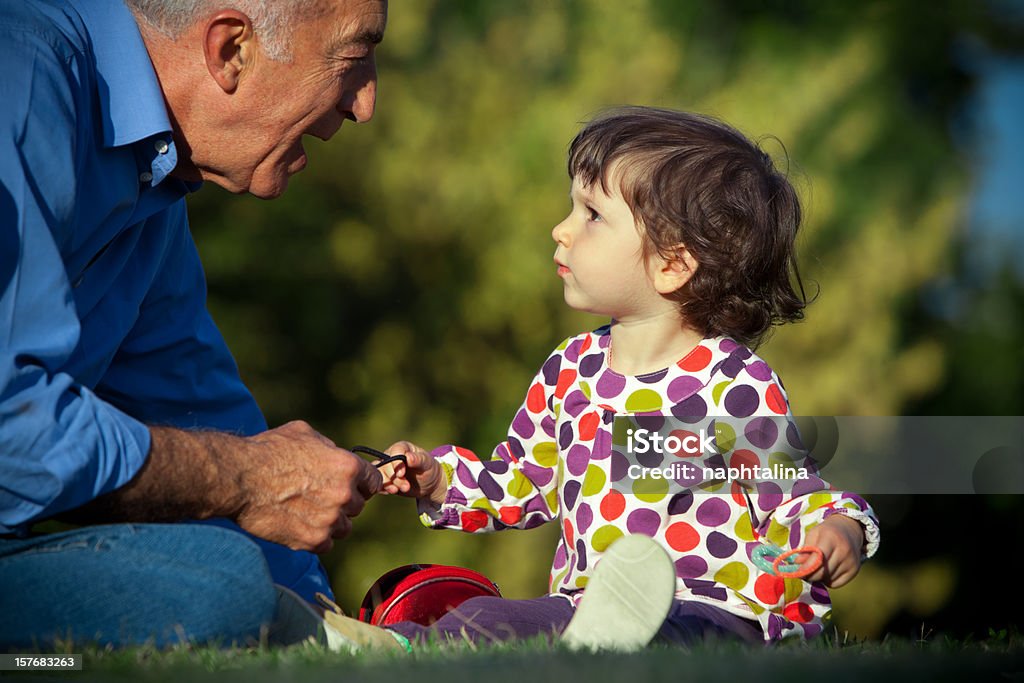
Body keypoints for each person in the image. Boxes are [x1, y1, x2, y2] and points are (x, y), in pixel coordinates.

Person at [320, 107, 881, 652]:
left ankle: (609, 641)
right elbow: (526, 481)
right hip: (584, 608)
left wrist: (839, 533)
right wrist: (440, 480)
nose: (561, 230)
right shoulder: (571, 371)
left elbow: (793, 496)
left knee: (669, 634)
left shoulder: (734, 383)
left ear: (672, 264)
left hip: (717, 615)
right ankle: (389, 646)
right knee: (491, 615)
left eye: (591, 214)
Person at [0, 0, 387, 649]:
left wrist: (330, 621)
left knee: (223, 583)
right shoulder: (22, 75)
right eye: (353, 58)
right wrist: (248, 478)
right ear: (231, 49)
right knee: (216, 590)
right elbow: (12, 428)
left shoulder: (155, 187)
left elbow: (198, 406)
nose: (366, 103)